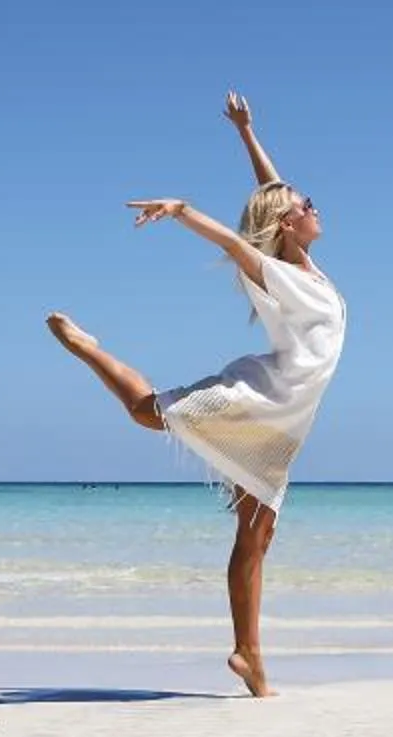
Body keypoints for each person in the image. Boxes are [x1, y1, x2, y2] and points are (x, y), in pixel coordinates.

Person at [47, 90, 345, 698]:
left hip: (286, 423)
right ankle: (89, 348)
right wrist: (184, 211)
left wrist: (246, 134)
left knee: (256, 536)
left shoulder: (303, 267)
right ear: (290, 224)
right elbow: (238, 244)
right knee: (147, 413)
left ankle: (250, 658)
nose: (314, 205)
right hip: (262, 398)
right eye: (305, 204)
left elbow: (274, 191)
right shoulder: (281, 275)